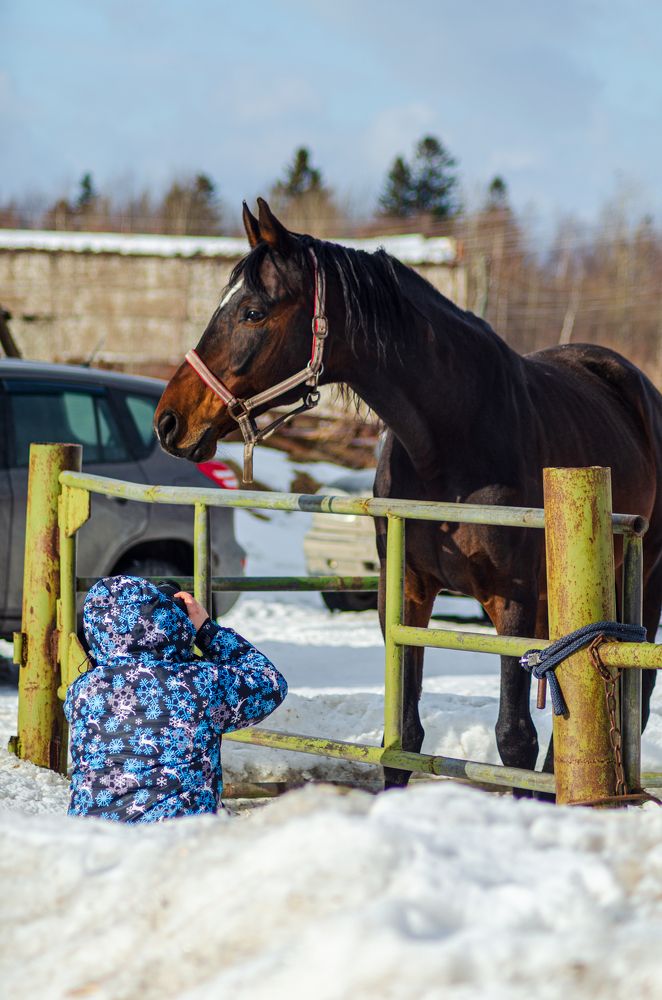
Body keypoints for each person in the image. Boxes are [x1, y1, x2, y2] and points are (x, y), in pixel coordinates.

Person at [63, 575, 287, 822]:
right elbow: (270, 682)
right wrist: (206, 630)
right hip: (176, 836)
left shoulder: (81, 691)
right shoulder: (199, 684)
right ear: (169, 622)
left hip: (93, 838)